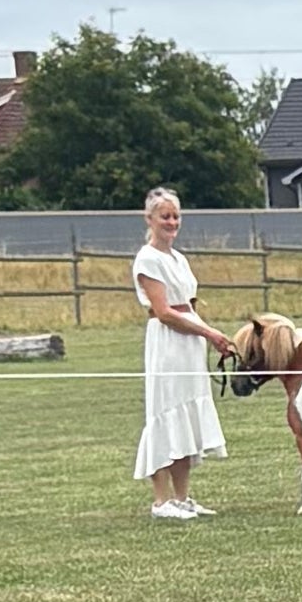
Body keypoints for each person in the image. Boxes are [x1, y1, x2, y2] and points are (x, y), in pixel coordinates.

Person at [132, 188, 224, 515]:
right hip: (167, 344)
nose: (171, 222)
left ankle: (182, 497)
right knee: (165, 411)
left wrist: (206, 334)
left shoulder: (179, 258)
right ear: (150, 220)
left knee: (186, 413)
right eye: (165, 217)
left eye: (175, 216)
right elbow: (165, 312)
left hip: (189, 343)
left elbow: (189, 304)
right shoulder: (147, 259)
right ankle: (161, 500)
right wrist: (209, 332)